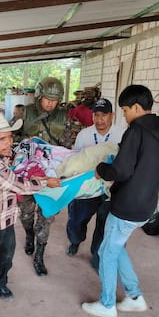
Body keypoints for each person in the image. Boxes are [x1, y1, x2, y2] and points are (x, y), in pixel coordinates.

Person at [0, 113, 60, 317]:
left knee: (7, 257)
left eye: (10, 137)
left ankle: (1, 283)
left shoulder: (4, 154)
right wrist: (46, 181)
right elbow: (17, 185)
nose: (9, 142)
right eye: (2, 139)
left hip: (6, 218)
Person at [82, 84, 159, 317]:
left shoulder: (136, 131)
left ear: (137, 107)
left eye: (126, 110)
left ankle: (107, 304)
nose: (126, 116)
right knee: (116, 247)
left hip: (127, 205)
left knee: (107, 252)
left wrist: (102, 169)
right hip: (146, 204)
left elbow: (121, 170)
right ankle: (134, 296)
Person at [20, 76, 72, 276]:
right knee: (25, 214)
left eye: (55, 99)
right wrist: (29, 145)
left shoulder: (65, 118)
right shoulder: (25, 113)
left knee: (46, 215)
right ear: (39, 96)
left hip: (51, 175)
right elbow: (11, 139)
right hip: (28, 172)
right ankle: (28, 235)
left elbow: (67, 147)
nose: (51, 103)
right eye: (47, 98)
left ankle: (39, 255)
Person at [66, 98, 125, 259]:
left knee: (104, 221)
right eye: (96, 115)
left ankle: (96, 253)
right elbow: (75, 159)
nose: (99, 119)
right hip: (86, 187)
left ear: (111, 115)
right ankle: (75, 240)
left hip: (110, 188)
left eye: (103, 115)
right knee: (77, 218)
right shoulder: (84, 135)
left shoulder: (121, 135)